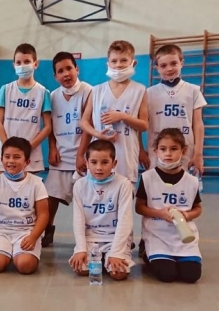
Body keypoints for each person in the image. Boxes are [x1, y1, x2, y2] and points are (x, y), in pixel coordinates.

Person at [135, 128, 202, 283]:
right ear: (156, 151)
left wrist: (187, 215)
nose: (168, 154)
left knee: (191, 276)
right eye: (163, 149)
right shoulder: (147, 178)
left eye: (174, 149)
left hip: (184, 236)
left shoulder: (191, 181)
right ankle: (148, 250)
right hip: (158, 235)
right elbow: (139, 207)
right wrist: (160, 213)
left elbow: (198, 208)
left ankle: (180, 257)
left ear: (183, 151)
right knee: (167, 275)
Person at [80, 40, 148, 186]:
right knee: (99, 201)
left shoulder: (140, 90)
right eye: (114, 61)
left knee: (125, 199)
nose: (118, 65)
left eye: (124, 60)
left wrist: (122, 116)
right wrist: (98, 135)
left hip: (127, 153)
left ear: (133, 63)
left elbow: (144, 125)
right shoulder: (96, 90)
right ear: (108, 64)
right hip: (100, 154)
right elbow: (84, 122)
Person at [0, 136, 48, 274]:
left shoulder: (36, 183)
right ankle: (4, 252)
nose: (11, 161)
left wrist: (33, 237)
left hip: (26, 232)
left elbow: (44, 214)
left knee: (25, 266)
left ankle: (18, 254)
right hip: (1, 231)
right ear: (1, 159)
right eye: (7, 156)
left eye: (16, 157)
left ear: (27, 161)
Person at [43, 52, 92, 247]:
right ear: (55, 76)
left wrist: (82, 155)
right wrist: (52, 148)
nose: (66, 74)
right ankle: (47, 228)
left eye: (69, 68)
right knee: (50, 196)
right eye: (60, 71)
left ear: (77, 69)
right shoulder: (52, 96)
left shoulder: (89, 91)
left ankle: (94, 232)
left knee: (87, 199)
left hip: (82, 157)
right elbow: (50, 127)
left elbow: (88, 126)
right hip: (61, 156)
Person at [69, 140, 134, 281]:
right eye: (93, 162)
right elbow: (78, 220)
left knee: (118, 274)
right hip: (91, 237)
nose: (99, 168)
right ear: (86, 163)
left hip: (114, 237)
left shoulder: (124, 184)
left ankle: (110, 257)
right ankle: (102, 260)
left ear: (114, 163)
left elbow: (125, 221)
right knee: (81, 269)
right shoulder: (80, 185)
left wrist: (116, 252)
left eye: (105, 162)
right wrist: (81, 249)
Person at [139, 44, 206, 175]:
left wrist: (198, 153)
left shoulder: (193, 90)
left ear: (182, 63)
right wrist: (141, 150)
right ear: (156, 68)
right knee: (156, 190)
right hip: (157, 151)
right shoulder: (149, 93)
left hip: (185, 150)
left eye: (173, 63)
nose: (169, 68)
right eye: (163, 65)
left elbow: (198, 124)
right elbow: (139, 126)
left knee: (184, 190)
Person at [0, 43, 52, 174]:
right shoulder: (6, 89)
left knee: (31, 192)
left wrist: (28, 148)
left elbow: (48, 127)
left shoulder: (43, 92)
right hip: (6, 154)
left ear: (35, 64)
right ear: (14, 65)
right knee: (2, 191)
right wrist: (7, 147)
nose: (22, 65)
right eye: (19, 62)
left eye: (27, 61)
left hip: (31, 154)